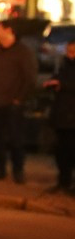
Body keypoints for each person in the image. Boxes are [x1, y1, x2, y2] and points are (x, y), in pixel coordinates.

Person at [0, 21, 37, 184]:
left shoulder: (23, 52)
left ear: (9, 31)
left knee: (15, 139)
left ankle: (18, 171)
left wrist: (19, 98)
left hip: (12, 104)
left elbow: (30, 78)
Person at [44, 40, 75, 194]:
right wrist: (52, 84)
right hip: (62, 115)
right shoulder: (64, 65)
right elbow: (58, 78)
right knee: (61, 151)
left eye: (73, 52)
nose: (70, 55)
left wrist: (63, 85)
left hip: (72, 116)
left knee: (71, 150)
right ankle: (63, 182)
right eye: (68, 51)